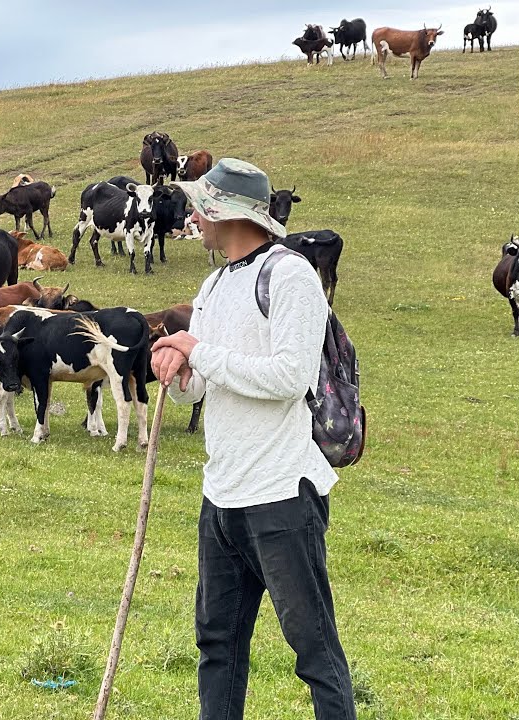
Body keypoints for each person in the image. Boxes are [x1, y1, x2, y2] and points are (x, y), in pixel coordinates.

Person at [151, 158, 357, 720]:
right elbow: (204, 387)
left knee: (314, 650)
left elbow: (290, 376)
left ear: (225, 213)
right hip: (221, 496)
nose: (193, 217)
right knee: (217, 646)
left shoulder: (291, 276)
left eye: (200, 207)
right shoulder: (214, 284)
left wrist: (199, 352)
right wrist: (179, 370)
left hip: (281, 494)